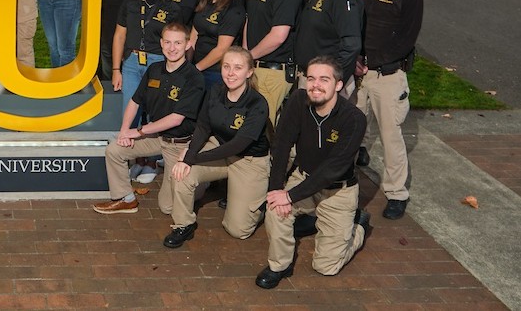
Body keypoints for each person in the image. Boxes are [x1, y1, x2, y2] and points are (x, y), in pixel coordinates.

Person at [256, 56, 370, 289]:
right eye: (311, 78)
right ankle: (280, 265)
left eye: (324, 79)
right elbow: (281, 144)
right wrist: (277, 190)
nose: (315, 85)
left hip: (338, 191)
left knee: (326, 267)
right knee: (274, 211)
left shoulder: (353, 118)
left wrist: (289, 196)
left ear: (338, 85)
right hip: (304, 178)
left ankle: (357, 227)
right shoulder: (299, 100)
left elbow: (333, 168)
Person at [93, 23, 205, 215]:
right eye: (168, 42)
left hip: (180, 144)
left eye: (178, 43)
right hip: (157, 137)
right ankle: (125, 199)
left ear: (187, 45)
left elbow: (176, 119)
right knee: (114, 150)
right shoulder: (154, 69)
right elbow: (135, 101)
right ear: (161, 43)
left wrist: (138, 132)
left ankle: (199, 179)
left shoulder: (194, 78)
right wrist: (124, 131)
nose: (172, 48)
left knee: (167, 207)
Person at [165, 46, 270, 248]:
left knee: (238, 230)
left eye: (238, 68)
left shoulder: (258, 104)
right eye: (226, 66)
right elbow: (203, 126)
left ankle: (258, 203)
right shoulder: (215, 90)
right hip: (220, 146)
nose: (231, 73)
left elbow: (238, 145)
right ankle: (183, 225)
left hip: (248, 160)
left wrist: (193, 158)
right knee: (181, 172)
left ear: (249, 72)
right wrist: (189, 154)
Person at [353, 0, 423, 220]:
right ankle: (343, 187)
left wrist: (373, 61)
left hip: (388, 76)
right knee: (350, 133)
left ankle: (396, 193)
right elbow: (350, 22)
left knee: (390, 136)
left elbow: (406, 38)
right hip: (357, 73)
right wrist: (356, 59)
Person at [244, 0, 304, 129]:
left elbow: (279, 35)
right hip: (255, 66)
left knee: (261, 129)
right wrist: (246, 54)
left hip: (273, 71)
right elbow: (249, 19)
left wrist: (247, 57)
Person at [111, 0, 177, 107]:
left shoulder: (172, 8)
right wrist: (116, 69)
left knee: (155, 110)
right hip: (131, 63)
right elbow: (119, 36)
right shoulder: (129, 2)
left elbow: (177, 42)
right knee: (130, 111)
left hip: (158, 63)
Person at [191, 0, 245, 87]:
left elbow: (222, 49)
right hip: (196, 69)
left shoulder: (234, 9)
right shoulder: (206, 1)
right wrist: (187, 65)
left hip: (215, 73)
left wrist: (196, 69)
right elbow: (194, 35)